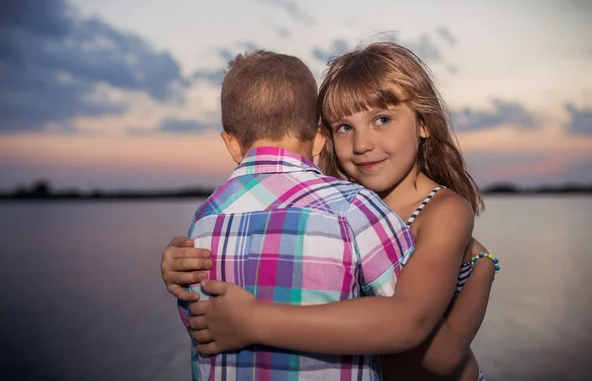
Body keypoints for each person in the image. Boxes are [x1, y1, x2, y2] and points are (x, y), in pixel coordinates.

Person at [162, 43, 499, 381]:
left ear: (423, 123)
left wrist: (483, 267)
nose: (361, 144)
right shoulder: (339, 209)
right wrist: (187, 261)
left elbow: (440, 353)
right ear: (324, 137)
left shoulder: (443, 211)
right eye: (344, 127)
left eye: (382, 119)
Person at [179, 49, 417, 381]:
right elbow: (410, 318)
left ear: (231, 144)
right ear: (320, 138)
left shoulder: (203, 223)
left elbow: (198, 324)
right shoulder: (352, 208)